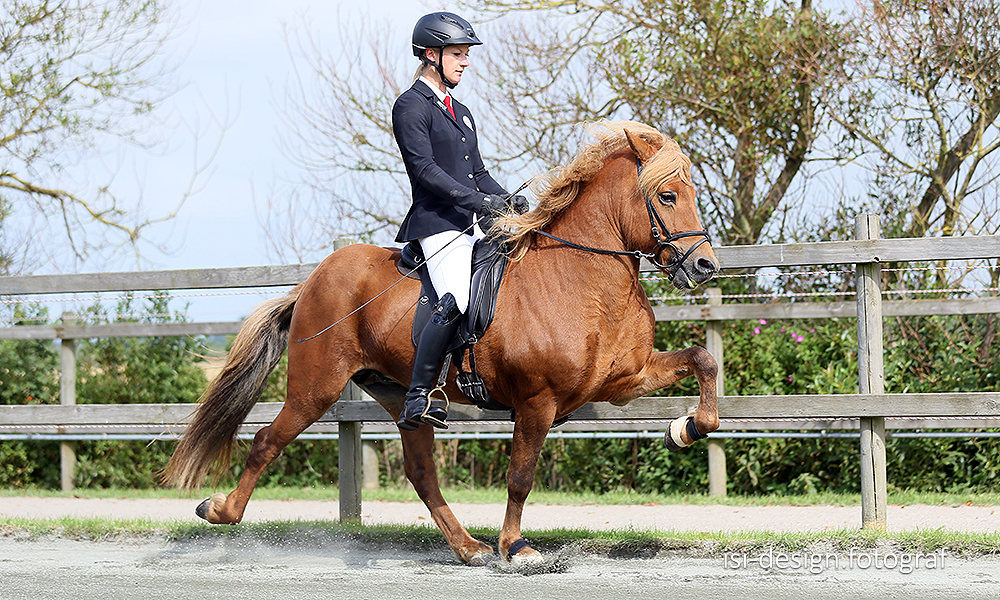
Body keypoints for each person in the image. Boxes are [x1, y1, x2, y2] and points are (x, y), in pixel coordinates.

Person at [392, 11, 527, 431]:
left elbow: (478, 171)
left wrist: (507, 201)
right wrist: (479, 201)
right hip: (436, 225)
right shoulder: (411, 106)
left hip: (469, 224)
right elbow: (426, 171)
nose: (465, 61)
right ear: (431, 55)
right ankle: (418, 396)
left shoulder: (462, 110)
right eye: (458, 53)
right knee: (458, 297)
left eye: (466, 54)